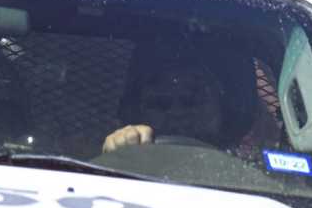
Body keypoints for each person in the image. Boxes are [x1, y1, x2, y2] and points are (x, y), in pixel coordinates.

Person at [99, 58, 233, 153]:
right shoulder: (128, 154)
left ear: (220, 109)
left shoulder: (248, 166)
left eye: (191, 101)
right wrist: (119, 150)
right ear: (138, 113)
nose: (177, 112)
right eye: (160, 103)